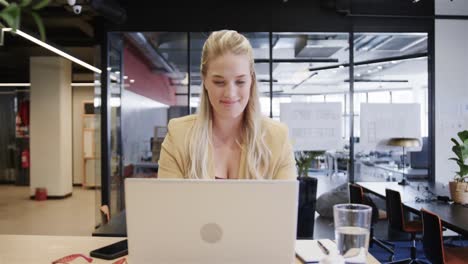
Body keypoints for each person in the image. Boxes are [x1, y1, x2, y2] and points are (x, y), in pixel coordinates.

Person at [158, 30, 296, 180]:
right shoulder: (179, 136)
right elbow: (168, 203)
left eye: (240, 82)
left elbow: (284, 203)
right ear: (205, 81)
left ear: (251, 81)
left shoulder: (277, 139)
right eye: (219, 82)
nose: (230, 93)